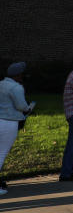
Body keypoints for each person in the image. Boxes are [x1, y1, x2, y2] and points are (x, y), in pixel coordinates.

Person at [0, 62, 35, 195]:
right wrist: (28, 108)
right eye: (23, 74)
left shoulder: (1, 84)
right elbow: (21, 106)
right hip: (9, 123)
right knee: (1, 154)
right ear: (18, 75)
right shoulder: (16, 87)